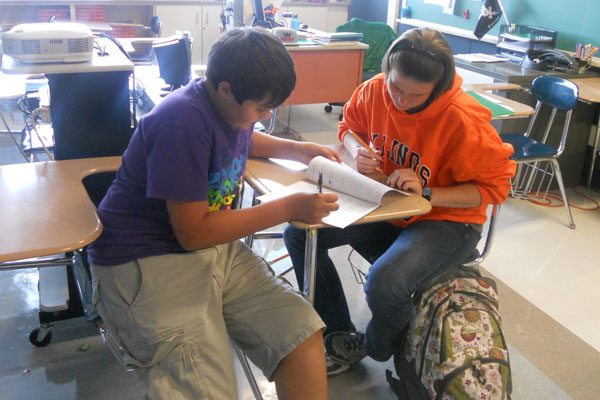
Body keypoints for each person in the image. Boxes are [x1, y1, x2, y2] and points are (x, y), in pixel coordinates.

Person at [88, 27, 340, 400]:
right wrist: (288, 207)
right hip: (144, 260)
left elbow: (242, 134)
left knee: (300, 334)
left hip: (207, 246)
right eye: (261, 107)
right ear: (224, 89)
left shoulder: (227, 107)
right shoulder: (181, 122)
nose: (265, 116)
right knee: (208, 390)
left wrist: (297, 151)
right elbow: (192, 232)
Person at [283, 27, 516, 375]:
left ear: (436, 88)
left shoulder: (464, 121)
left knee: (385, 282)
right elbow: (349, 127)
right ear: (387, 68)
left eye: (415, 95)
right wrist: (357, 150)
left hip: (448, 222)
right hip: (391, 207)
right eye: (395, 87)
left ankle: (375, 346)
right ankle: (339, 334)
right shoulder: (374, 89)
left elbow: (495, 189)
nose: (400, 100)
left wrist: (428, 192)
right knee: (300, 232)